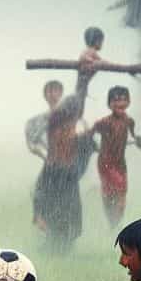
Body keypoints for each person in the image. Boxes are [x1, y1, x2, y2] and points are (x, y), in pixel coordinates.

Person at [33, 34, 100, 251]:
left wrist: (86, 74)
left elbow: (80, 96)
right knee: (54, 210)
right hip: (55, 169)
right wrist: (83, 75)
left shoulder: (70, 118)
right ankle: (53, 244)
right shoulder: (53, 118)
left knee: (70, 214)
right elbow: (76, 99)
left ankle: (62, 245)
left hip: (69, 170)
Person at [91, 85, 141, 226]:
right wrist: (92, 144)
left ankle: (114, 223)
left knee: (120, 193)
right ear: (109, 104)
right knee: (114, 192)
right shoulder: (104, 122)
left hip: (120, 162)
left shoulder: (129, 121)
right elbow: (90, 132)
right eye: (115, 100)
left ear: (128, 102)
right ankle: (113, 222)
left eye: (123, 99)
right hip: (106, 162)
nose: (119, 103)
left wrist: (139, 141)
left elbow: (133, 136)